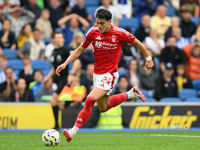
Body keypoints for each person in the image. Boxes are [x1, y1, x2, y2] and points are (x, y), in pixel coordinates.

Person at [55, 9, 154, 142]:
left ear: (109, 21)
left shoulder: (119, 33)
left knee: (89, 100)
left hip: (110, 74)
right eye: (97, 22)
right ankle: (131, 94)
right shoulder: (93, 31)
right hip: (97, 74)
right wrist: (65, 63)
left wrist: (148, 58)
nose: (99, 26)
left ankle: (72, 132)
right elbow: (79, 50)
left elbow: (137, 42)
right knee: (103, 107)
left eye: (102, 23)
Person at [42, 31, 81, 129]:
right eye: (56, 37)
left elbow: (77, 60)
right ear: (53, 39)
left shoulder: (66, 50)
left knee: (53, 100)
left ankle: (56, 125)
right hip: (57, 79)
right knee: (60, 105)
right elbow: (53, 67)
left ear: (63, 39)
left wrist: (71, 74)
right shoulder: (54, 51)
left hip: (64, 79)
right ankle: (73, 99)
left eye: (60, 37)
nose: (58, 39)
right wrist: (48, 76)